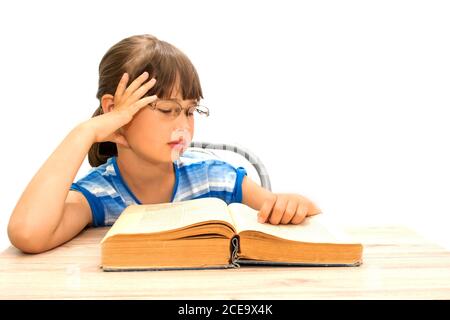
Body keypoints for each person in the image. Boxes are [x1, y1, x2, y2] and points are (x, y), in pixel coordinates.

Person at [7, 34, 321, 254]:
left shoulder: (214, 177)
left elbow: (298, 214)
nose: (183, 126)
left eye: (189, 110)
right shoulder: (99, 195)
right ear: (113, 110)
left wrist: (295, 204)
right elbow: (28, 234)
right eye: (168, 110)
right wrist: (84, 133)